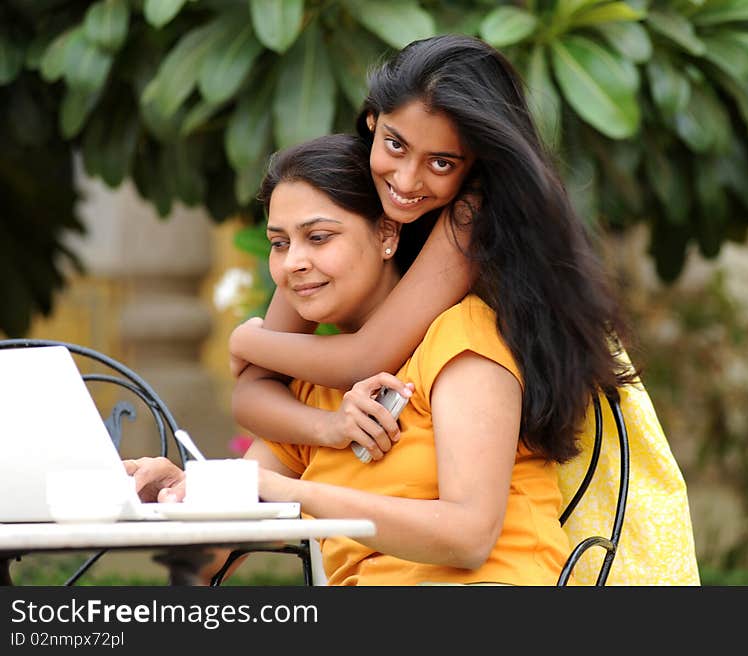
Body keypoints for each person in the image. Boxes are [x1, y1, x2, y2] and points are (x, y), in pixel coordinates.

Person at [227, 35, 700, 585]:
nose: (406, 182)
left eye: (442, 161)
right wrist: (329, 427)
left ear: (476, 163)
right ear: (373, 122)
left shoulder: (472, 220)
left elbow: (365, 355)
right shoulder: (336, 213)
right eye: (396, 146)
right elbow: (252, 393)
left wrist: (245, 341)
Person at [128, 133, 571, 585]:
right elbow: (210, 560)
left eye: (318, 237)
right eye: (279, 244)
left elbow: (469, 536)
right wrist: (176, 491)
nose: (293, 263)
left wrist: (287, 492)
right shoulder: (312, 392)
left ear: (386, 233)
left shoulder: (461, 339)